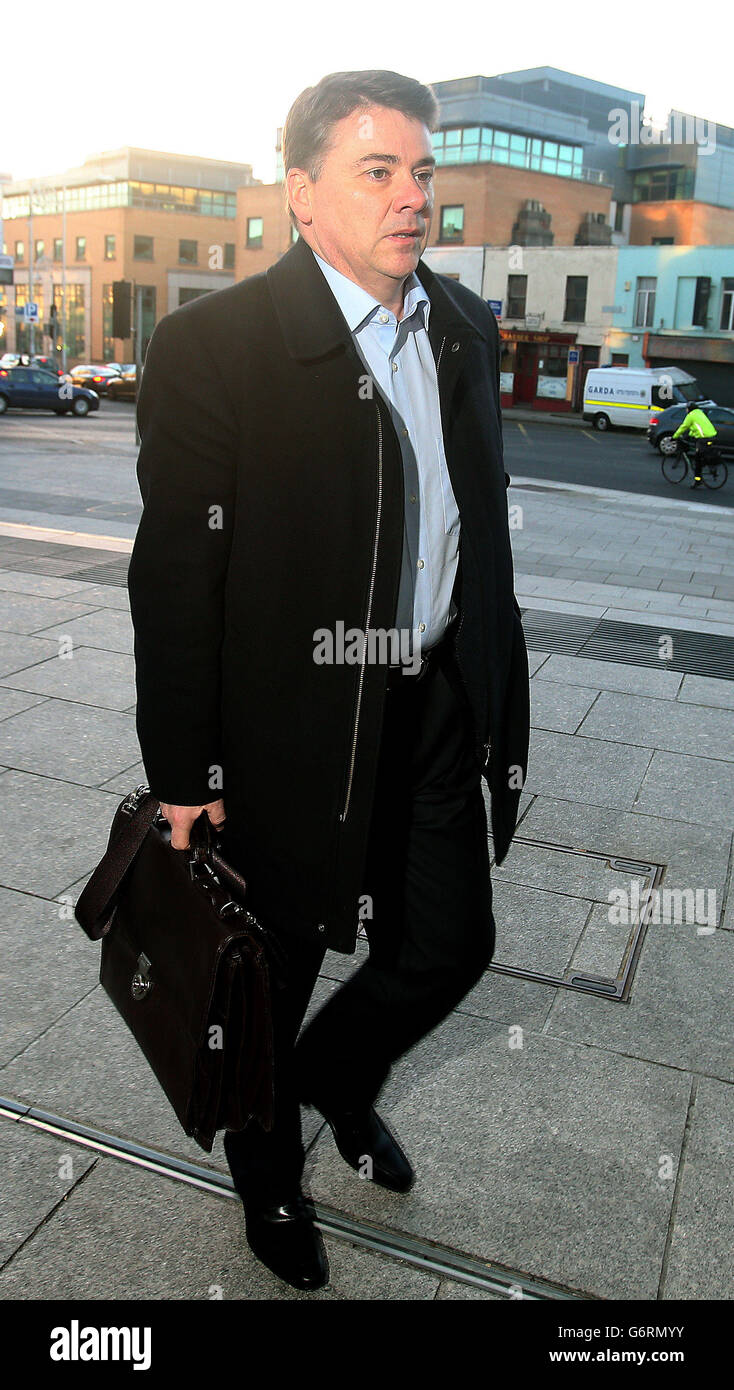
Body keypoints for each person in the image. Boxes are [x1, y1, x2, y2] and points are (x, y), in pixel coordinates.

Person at [126, 69, 530, 1293]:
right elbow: (174, 584)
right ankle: (269, 1183)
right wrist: (184, 778)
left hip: (430, 710)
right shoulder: (216, 348)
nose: (414, 198)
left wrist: (491, 700)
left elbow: (481, 536)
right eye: (378, 171)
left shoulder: (461, 327)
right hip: (286, 732)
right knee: (270, 976)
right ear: (302, 195)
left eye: (422, 172)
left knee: (449, 945)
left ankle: (334, 1079)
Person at [672, 403, 718, 487]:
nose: (686, 410)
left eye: (686, 409)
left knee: (698, 459)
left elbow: (684, 426)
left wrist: (674, 436)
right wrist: (690, 435)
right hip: (712, 436)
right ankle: (707, 464)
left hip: (704, 438)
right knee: (702, 453)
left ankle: (698, 480)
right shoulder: (700, 413)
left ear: (689, 409)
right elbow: (696, 427)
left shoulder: (691, 415)